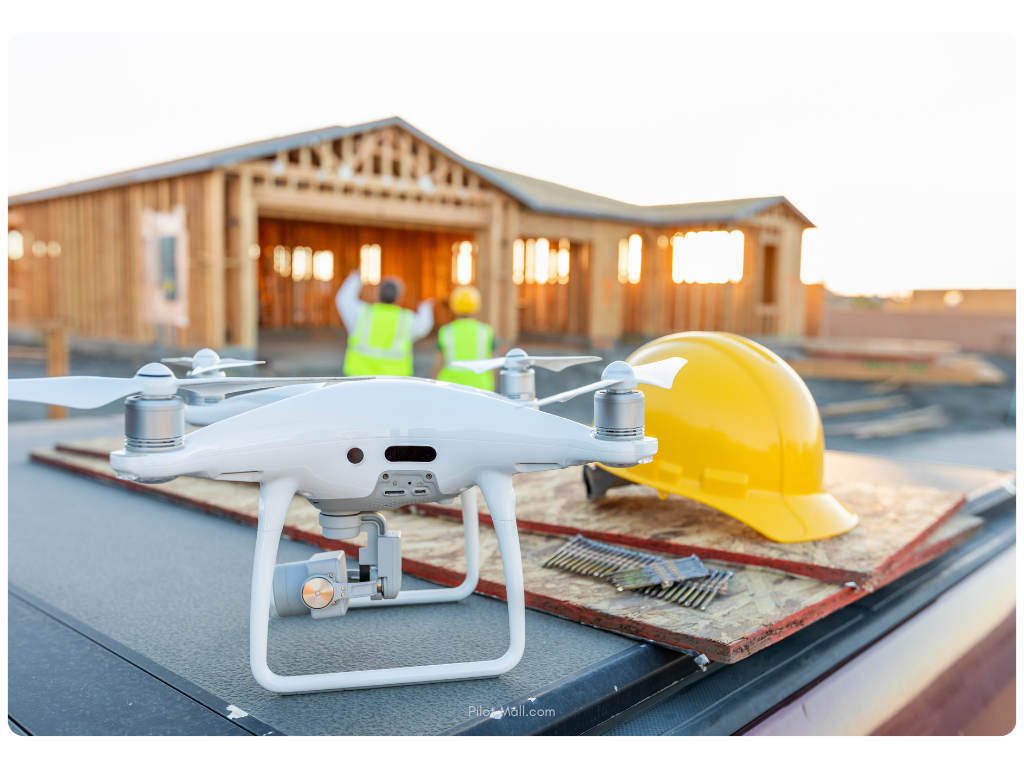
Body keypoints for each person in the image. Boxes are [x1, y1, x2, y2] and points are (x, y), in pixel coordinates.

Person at [336, 270, 434, 376]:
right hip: (394, 380)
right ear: (399, 297)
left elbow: (344, 299)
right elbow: (424, 325)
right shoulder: (407, 320)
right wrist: (426, 308)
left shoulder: (362, 314)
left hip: (360, 378)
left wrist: (355, 278)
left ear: (378, 294)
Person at [434, 285, 495, 391]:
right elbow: (493, 366)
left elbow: (437, 365)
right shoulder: (486, 331)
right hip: (481, 388)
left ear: (453, 306)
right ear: (477, 306)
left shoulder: (446, 331)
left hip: (450, 389)